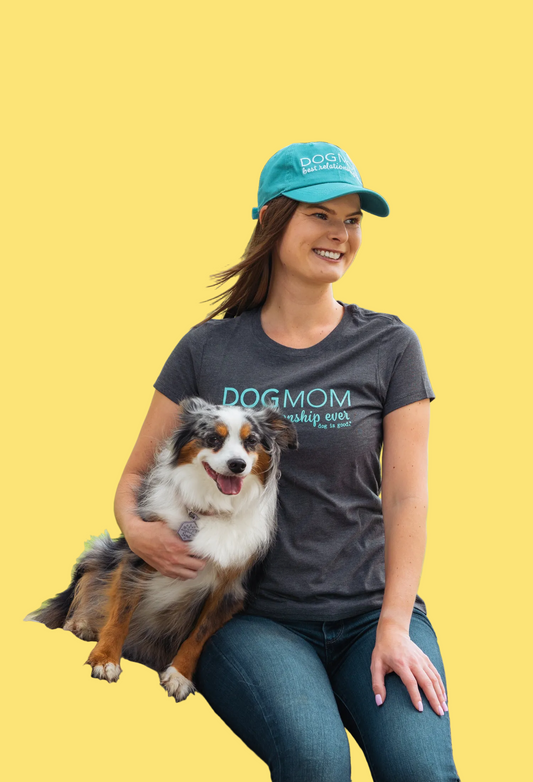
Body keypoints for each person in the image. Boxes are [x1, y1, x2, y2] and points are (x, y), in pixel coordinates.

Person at [114, 141, 461, 782]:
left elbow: (408, 498)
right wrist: (141, 533)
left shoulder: (389, 345)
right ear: (274, 223)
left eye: (352, 219)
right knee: (317, 765)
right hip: (251, 615)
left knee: (422, 773)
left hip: (372, 613)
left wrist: (393, 626)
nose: (340, 234)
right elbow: (136, 475)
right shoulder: (207, 348)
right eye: (320, 215)